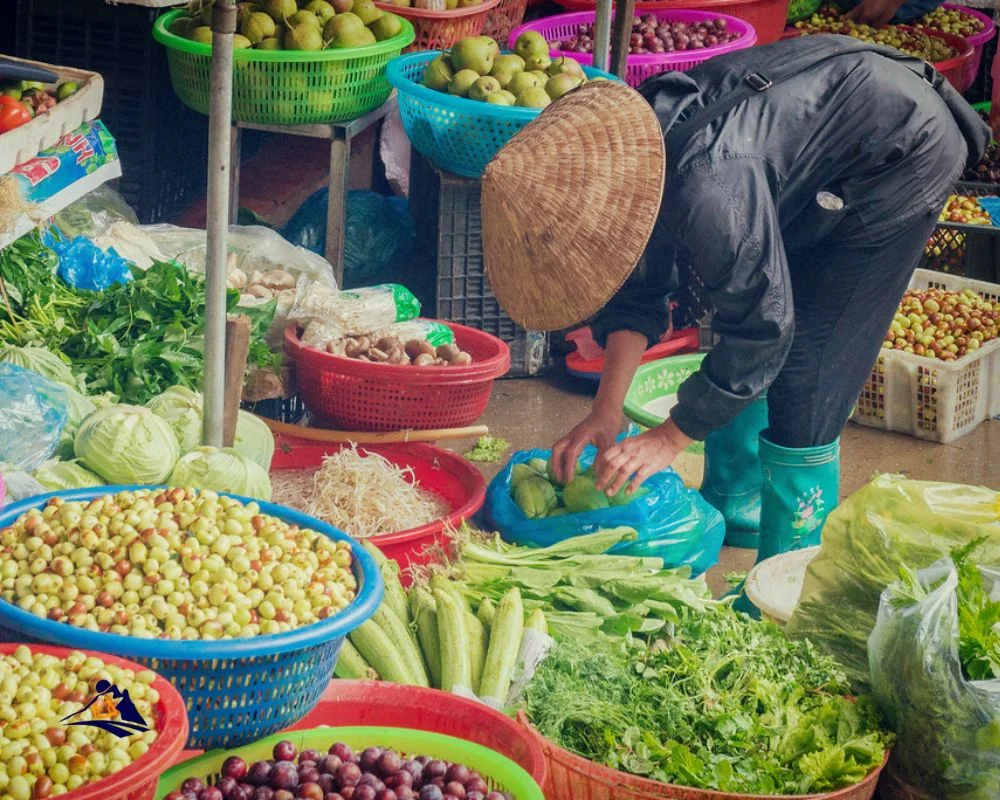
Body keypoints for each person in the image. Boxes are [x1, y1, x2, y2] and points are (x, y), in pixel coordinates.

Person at [481, 35, 988, 574]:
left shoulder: (709, 193)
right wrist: (605, 413)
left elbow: (765, 329)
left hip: (901, 150)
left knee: (808, 370)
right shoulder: (627, 159)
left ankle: (787, 579)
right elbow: (639, 286)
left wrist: (669, 438)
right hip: (814, 145)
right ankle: (738, 504)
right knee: (746, 294)